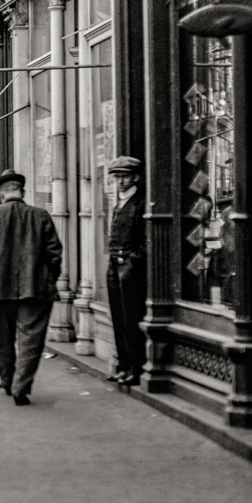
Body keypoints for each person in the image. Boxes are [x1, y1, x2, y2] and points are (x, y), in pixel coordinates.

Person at [0, 169, 63, 406]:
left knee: (0, 339)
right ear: (21, 192)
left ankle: (7, 378)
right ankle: (20, 387)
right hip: (35, 288)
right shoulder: (40, 215)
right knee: (30, 341)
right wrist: (48, 280)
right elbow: (54, 254)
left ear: (1, 194)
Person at [104, 156, 147, 387]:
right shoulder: (118, 205)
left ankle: (135, 368)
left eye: (125, 177)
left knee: (132, 320)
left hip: (131, 271)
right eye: (117, 177)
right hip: (115, 268)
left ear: (136, 178)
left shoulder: (140, 204)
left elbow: (145, 242)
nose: (120, 181)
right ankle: (123, 365)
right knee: (119, 320)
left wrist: (132, 262)